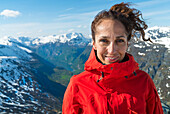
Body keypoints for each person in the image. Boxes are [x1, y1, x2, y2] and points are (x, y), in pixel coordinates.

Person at [62, 2, 163, 114]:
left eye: (119, 41)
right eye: (104, 41)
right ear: (94, 44)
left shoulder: (144, 82)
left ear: (127, 43)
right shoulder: (77, 85)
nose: (112, 50)